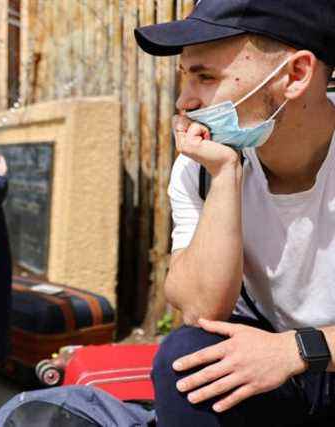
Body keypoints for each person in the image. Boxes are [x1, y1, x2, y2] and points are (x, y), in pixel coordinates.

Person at [135, 1, 335, 425]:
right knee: (188, 358)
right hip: (278, 369)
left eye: (206, 77)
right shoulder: (200, 167)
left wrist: (296, 350)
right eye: (185, 78)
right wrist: (226, 175)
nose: (185, 102)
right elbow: (199, 310)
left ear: (296, 75)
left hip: (311, 355)